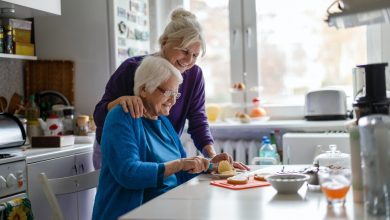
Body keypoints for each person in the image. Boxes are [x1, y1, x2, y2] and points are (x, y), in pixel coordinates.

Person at [93, 8, 249, 170]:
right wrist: (119, 102)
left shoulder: (194, 75)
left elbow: (198, 119)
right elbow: (98, 116)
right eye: (184, 50)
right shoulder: (132, 68)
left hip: (157, 154)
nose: (189, 60)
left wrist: (211, 156)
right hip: (118, 153)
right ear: (164, 41)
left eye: (195, 55)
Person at [92, 56, 224, 220]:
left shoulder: (164, 123)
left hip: (168, 209)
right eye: (168, 92)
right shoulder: (122, 116)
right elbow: (129, 173)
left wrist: (211, 166)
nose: (173, 100)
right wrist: (179, 164)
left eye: (176, 94)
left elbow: (182, 173)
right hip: (131, 214)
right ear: (144, 89)